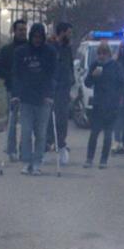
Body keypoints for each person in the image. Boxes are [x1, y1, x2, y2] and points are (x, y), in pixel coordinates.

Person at [12, 22, 57, 176]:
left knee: (41, 133)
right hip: (26, 98)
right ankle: (26, 162)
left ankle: (37, 162)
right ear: (31, 36)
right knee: (26, 132)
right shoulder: (21, 52)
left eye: (40, 37)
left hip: (43, 99)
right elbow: (16, 75)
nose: (37, 40)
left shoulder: (50, 52)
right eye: (35, 37)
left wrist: (50, 95)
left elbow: (52, 75)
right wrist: (15, 95)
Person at [0, 18, 27, 167]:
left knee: (26, 120)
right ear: (14, 31)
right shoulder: (7, 50)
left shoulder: (30, 48)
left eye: (25, 30)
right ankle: (11, 149)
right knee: (12, 120)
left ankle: (24, 149)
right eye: (20, 30)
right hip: (12, 89)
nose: (23, 32)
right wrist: (10, 75)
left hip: (28, 90)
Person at [84, 42, 124, 169]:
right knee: (94, 133)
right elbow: (87, 83)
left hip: (112, 106)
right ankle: (89, 158)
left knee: (108, 135)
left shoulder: (115, 66)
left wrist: (118, 99)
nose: (101, 56)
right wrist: (92, 75)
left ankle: (103, 160)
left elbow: (122, 83)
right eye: (99, 53)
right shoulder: (94, 65)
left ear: (109, 54)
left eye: (104, 53)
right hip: (98, 104)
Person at [50, 20, 75, 164]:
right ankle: (49, 143)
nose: (70, 35)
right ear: (62, 32)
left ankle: (61, 143)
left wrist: (71, 82)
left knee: (63, 119)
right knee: (51, 119)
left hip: (64, 89)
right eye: (69, 32)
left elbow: (69, 66)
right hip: (54, 88)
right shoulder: (52, 47)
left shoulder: (67, 48)